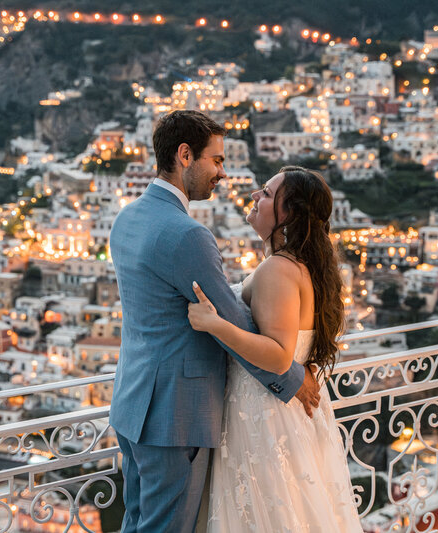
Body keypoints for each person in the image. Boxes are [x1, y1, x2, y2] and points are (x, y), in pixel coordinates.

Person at [108, 111, 322, 533]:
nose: (222, 173)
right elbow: (231, 318)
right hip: (175, 415)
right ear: (185, 156)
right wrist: (291, 375)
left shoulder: (127, 218)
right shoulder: (186, 234)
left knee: (135, 523)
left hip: (131, 405)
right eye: (217, 160)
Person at [188, 166, 364, 532]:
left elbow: (279, 354)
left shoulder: (277, 269)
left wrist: (213, 324)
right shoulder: (302, 267)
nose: (255, 196)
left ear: (289, 215)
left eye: (267, 194)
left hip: (263, 413)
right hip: (283, 412)